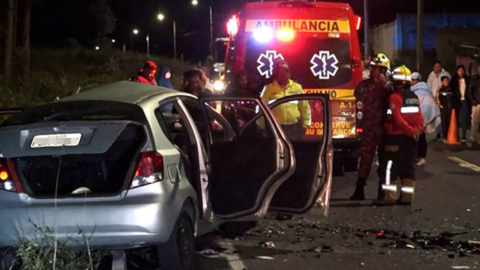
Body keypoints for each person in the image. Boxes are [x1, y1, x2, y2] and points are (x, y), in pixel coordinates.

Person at [375, 65, 423, 205]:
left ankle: (389, 197)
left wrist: (408, 130)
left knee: (390, 167)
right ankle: (407, 197)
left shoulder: (394, 97)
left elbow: (397, 119)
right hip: (411, 139)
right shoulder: (413, 96)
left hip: (395, 138)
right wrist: (416, 131)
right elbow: (419, 117)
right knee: (408, 168)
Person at [350, 53, 391, 201]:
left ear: (383, 70)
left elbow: (395, 100)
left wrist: (384, 83)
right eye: (372, 67)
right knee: (365, 159)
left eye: (376, 68)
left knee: (385, 161)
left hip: (385, 130)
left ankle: (383, 191)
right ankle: (359, 189)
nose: (372, 70)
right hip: (368, 128)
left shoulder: (389, 87)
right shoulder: (363, 86)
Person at [260, 60, 311, 141]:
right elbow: (261, 109)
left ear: (289, 73)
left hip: (294, 128)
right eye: (280, 73)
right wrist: (262, 127)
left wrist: (305, 125)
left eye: (285, 72)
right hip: (275, 128)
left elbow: (304, 107)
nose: (283, 75)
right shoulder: (269, 88)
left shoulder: (297, 88)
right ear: (276, 74)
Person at [411, 72, 441, 166]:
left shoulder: (415, 91)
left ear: (418, 80)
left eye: (413, 80)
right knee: (421, 137)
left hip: (418, 117)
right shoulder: (426, 89)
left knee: (416, 138)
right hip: (423, 117)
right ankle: (421, 157)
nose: (412, 82)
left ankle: (418, 157)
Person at [450, 65, 470, 143]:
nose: (461, 72)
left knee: (464, 118)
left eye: (462, 70)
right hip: (457, 101)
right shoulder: (454, 80)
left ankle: (464, 136)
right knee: (457, 118)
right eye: (459, 70)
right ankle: (456, 135)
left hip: (465, 100)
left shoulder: (467, 79)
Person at [436, 76, 456, 142]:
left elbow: (453, 98)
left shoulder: (451, 89)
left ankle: (450, 135)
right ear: (442, 82)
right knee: (444, 122)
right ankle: (444, 137)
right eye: (444, 81)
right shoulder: (440, 90)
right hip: (443, 108)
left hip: (450, 108)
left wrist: (453, 106)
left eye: (447, 80)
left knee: (450, 122)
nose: (446, 82)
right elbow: (437, 99)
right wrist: (441, 106)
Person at [468, 63, 480, 147]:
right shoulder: (474, 78)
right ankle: (473, 137)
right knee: (475, 121)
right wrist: (473, 100)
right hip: (476, 102)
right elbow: (469, 90)